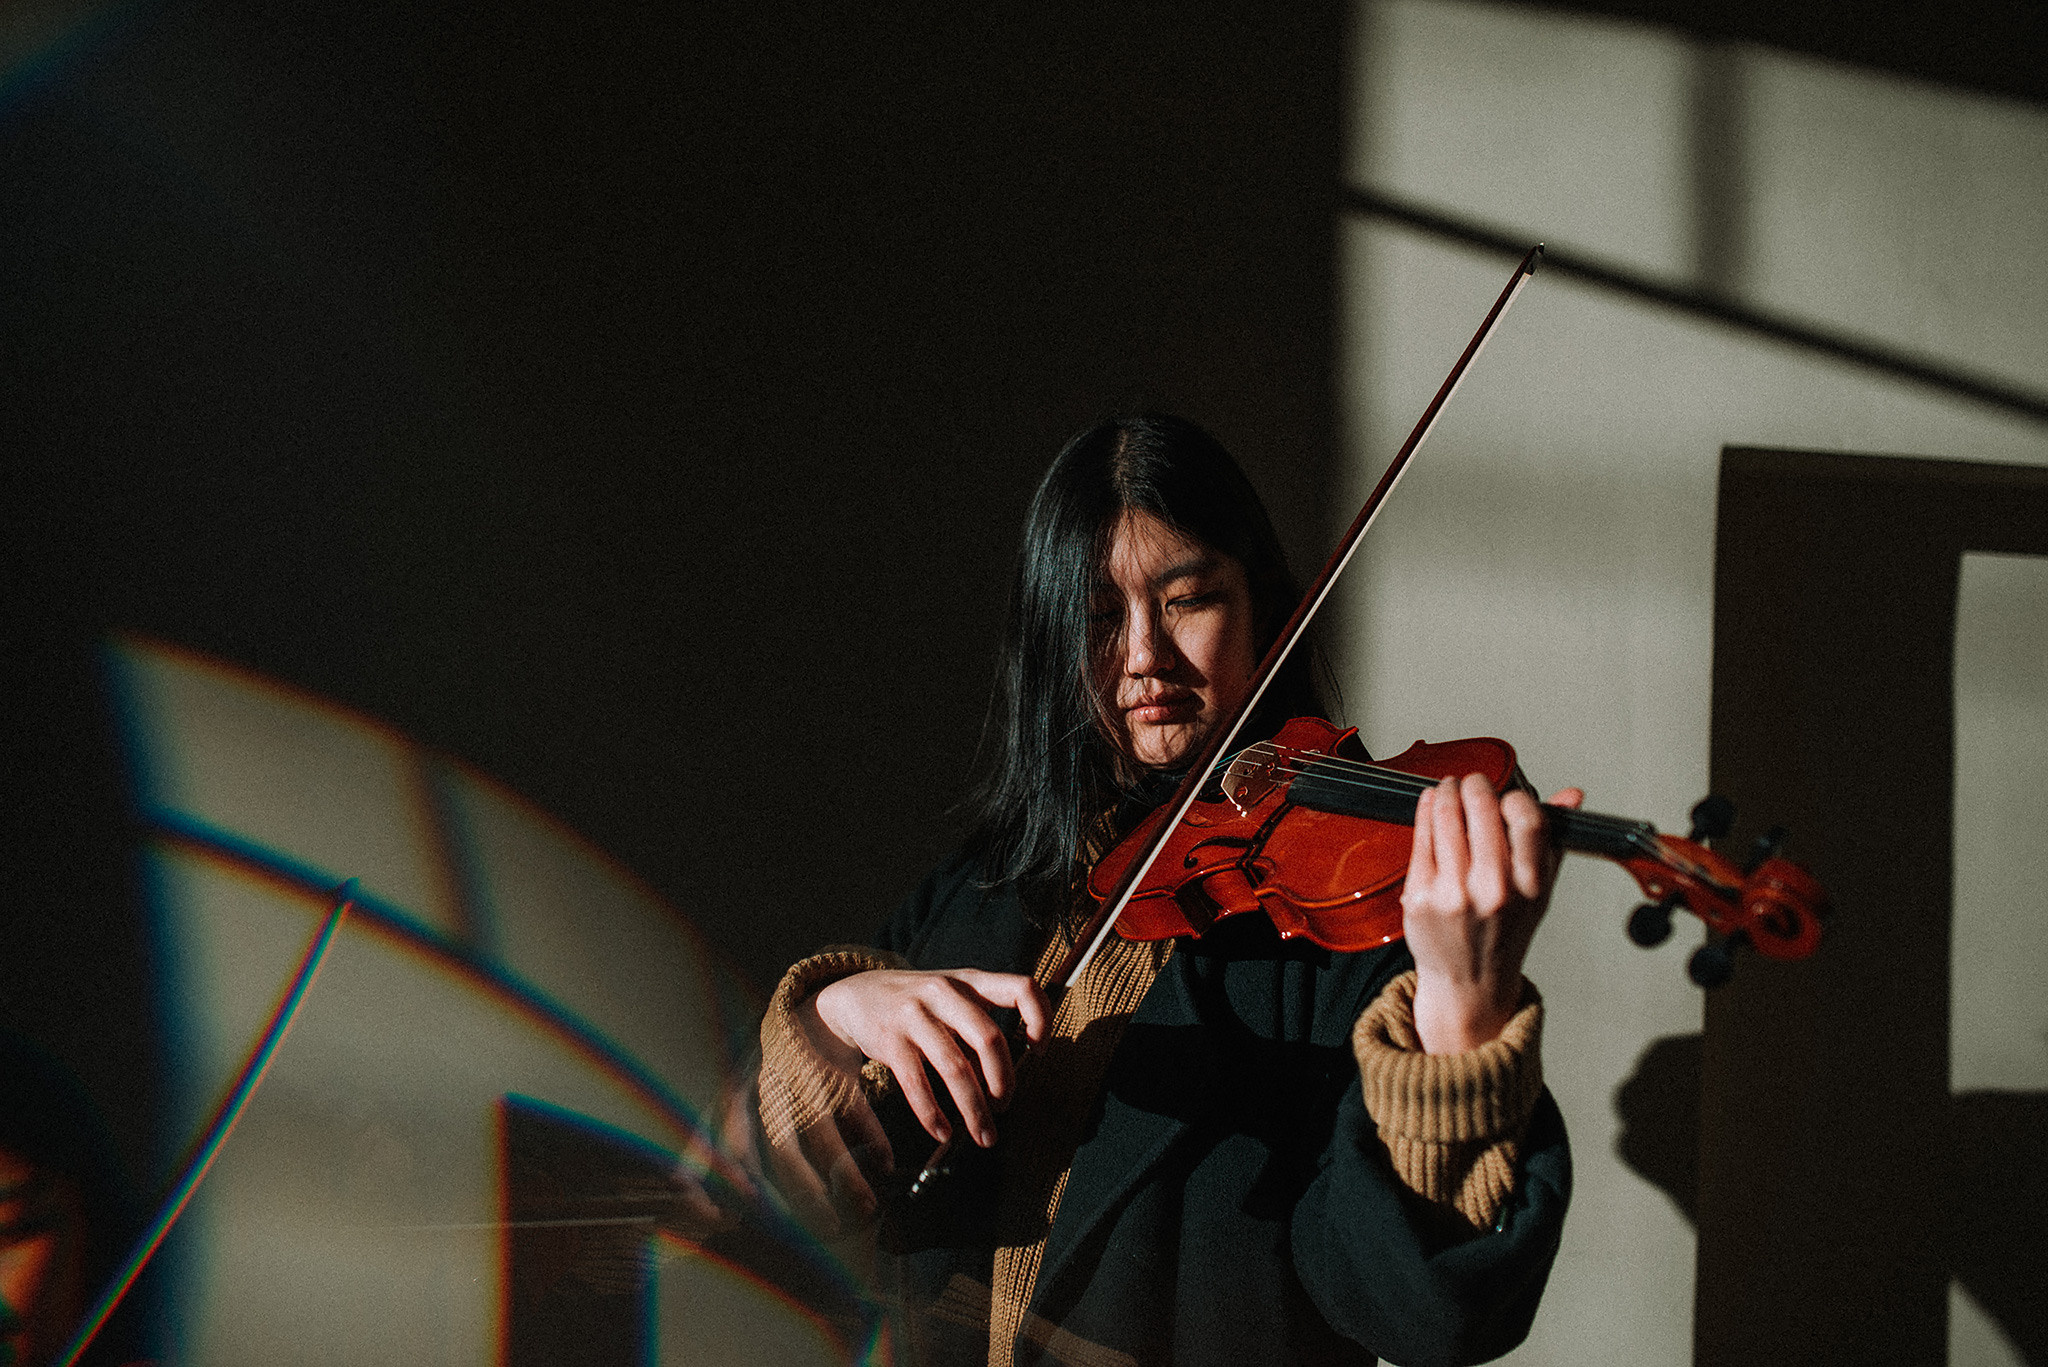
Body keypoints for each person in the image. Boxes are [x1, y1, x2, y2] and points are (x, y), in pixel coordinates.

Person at [755, 415, 1579, 1367]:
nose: (1145, 655)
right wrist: (836, 1012)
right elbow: (766, 1198)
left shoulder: (1348, 934)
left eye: (1189, 600)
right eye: (1101, 618)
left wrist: (1461, 1021)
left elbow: (1426, 1314)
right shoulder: (986, 886)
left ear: (1263, 610)